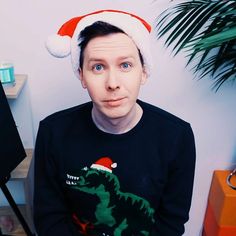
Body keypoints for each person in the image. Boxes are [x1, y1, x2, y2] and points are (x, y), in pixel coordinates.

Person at [33, 10, 196, 236]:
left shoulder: (177, 137)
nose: (112, 83)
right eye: (98, 67)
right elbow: (49, 218)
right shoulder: (53, 132)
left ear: (144, 71)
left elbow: (171, 222)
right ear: (81, 75)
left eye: (125, 65)